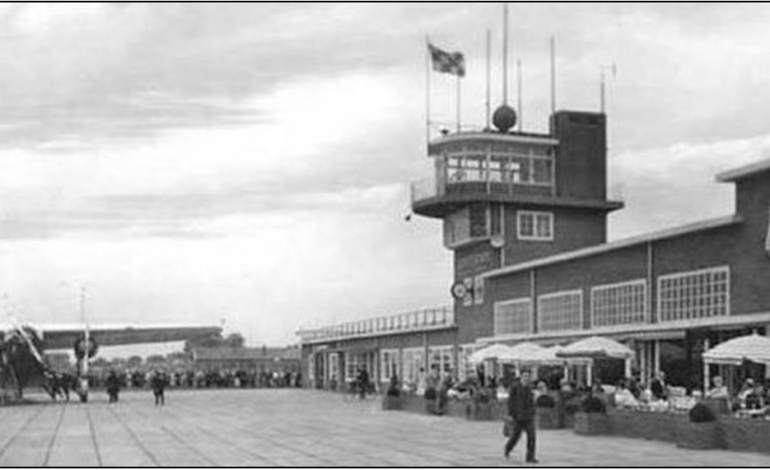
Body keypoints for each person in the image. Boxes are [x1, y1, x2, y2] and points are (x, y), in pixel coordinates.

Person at [504, 370, 538, 464]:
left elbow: (532, 401)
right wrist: (510, 414)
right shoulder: (515, 387)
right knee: (515, 436)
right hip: (518, 416)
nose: (526, 378)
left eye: (528, 376)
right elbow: (511, 401)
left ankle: (530, 457)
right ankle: (508, 448)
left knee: (532, 436)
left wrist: (533, 411)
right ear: (521, 376)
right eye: (525, 376)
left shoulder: (530, 388)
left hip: (529, 416)